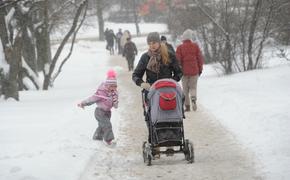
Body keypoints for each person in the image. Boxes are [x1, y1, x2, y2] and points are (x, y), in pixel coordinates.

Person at [132, 32, 183, 157]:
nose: (152, 45)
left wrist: (171, 82)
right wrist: (142, 84)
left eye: (154, 42)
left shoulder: (169, 55)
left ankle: (170, 142)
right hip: (152, 92)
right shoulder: (145, 57)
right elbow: (135, 75)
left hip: (168, 91)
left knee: (170, 115)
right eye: (149, 43)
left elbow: (179, 72)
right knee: (151, 118)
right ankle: (155, 146)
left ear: (159, 42)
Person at [77, 69, 119, 147]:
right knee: (107, 125)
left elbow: (115, 104)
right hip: (100, 112)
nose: (113, 88)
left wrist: (115, 101)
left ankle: (97, 138)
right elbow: (92, 99)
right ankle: (109, 140)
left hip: (107, 112)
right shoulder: (101, 93)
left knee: (102, 125)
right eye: (112, 86)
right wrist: (83, 103)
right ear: (107, 85)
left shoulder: (114, 94)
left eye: (115, 86)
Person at [175, 29, 204, 111]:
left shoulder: (180, 48)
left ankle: (187, 106)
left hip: (184, 72)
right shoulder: (195, 46)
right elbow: (200, 59)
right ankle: (193, 99)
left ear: (183, 38)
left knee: (185, 90)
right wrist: (200, 69)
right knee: (193, 88)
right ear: (190, 38)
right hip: (194, 70)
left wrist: (178, 70)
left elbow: (177, 60)